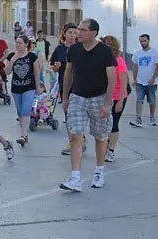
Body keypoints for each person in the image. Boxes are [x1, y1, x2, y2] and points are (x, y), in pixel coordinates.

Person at [61, 19, 117, 191]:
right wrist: (65, 97)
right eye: (78, 29)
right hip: (77, 97)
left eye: (83, 30)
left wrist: (108, 103)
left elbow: (112, 79)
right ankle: (75, 177)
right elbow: (68, 73)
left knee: (100, 137)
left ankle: (99, 171)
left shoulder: (105, 52)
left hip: (99, 98)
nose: (79, 33)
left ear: (94, 32)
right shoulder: (74, 49)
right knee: (76, 135)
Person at [50, 23, 87, 155]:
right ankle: (73, 142)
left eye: (74, 32)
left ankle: (79, 139)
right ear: (64, 34)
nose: (72, 35)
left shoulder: (81, 48)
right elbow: (53, 68)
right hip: (64, 86)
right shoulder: (59, 49)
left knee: (77, 115)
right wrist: (56, 67)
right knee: (68, 115)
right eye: (70, 32)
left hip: (79, 86)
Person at [4, 35, 40, 147]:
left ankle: (23, 135)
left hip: (29, 87)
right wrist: (12, 60)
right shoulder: (11, 56)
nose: (18, 45)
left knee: (25, 110)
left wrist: (38, 86)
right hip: (16, 87)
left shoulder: (32, 56)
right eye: (17, 43)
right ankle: (24, 133)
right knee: (20, 112)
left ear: (26, 44)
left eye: (20, 43)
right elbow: (7, 72)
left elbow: (36, 72)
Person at [101, 35, 129, 163]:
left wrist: (121, 101)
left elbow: (124, 82)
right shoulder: (102, 60)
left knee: (114, 124)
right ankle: (105, 145)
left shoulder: (119, 61)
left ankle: (111, 150)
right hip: (105, 96)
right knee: (104, 124)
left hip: (118, 96)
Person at [131, 34, 158, 127]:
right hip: (140, 82)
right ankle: (138, 118)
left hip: (151, 82)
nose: (143, 43)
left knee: (151, 100)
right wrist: (135, 79)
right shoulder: (137, 54)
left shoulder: (155, 53)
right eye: (141, 41)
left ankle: (152, 117)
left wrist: (153, 78)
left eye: (144, 41)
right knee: (139, 99)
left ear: (148, 41)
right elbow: (135, 67)